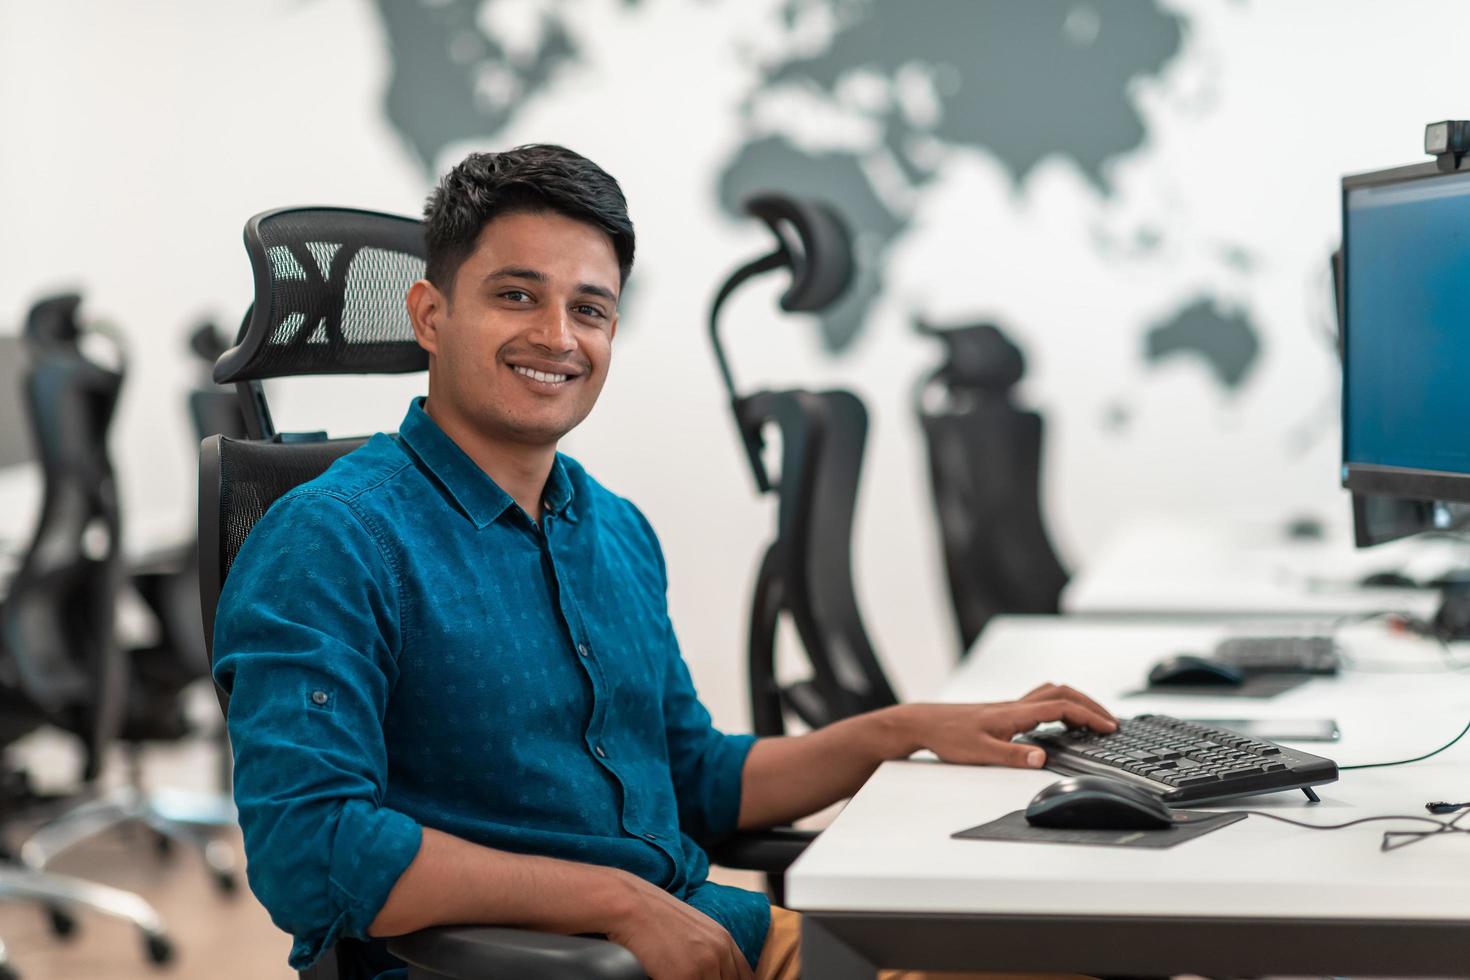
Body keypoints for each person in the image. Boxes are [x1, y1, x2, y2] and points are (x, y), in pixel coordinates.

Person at [213, 144, 1117, 980]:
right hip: (547, 965)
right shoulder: (329, 540)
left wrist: (907, 728)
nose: (559, 337)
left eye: (591, 309)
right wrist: (612, 900)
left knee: (1077, 949)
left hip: (707, 937)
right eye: (517, 296)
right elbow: (310, 850)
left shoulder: (612, 529)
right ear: (431, 315)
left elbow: (695, 778)